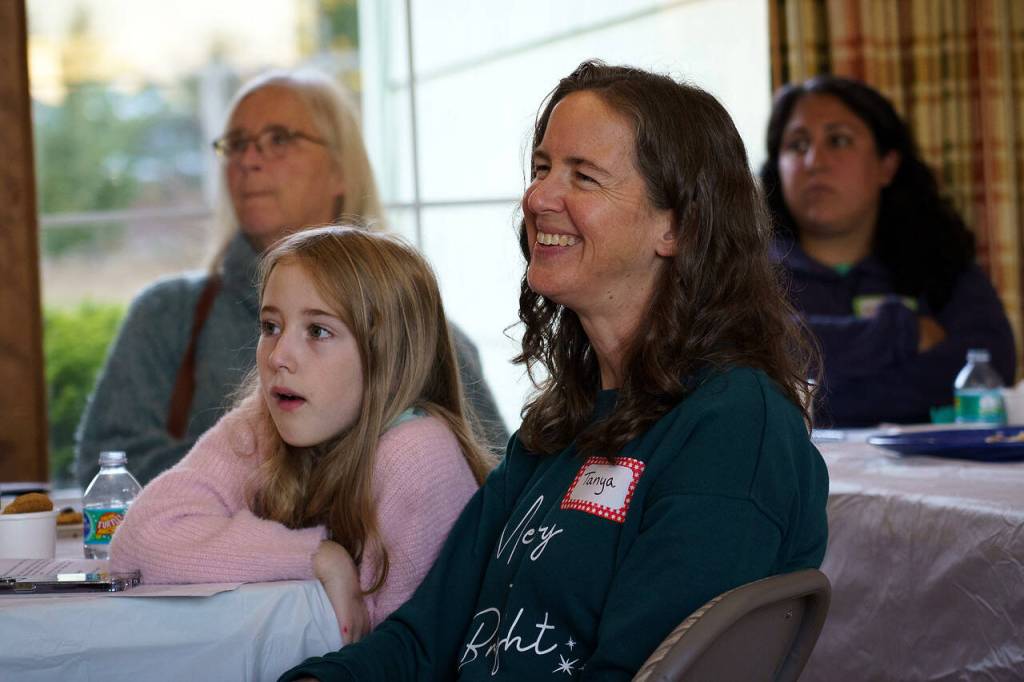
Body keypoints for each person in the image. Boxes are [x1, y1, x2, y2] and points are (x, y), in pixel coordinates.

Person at [279, 60, 829, 682]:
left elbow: (639, 673)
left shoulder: (734, 428)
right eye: (541, 168)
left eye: (583, 176)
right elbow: (420, 642)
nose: (537, 198)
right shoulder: (559, 426)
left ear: (675, 225)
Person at [75, 69, 507, 488]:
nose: (248, 160)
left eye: (278, 139)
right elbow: (108, 472)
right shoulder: (167, 314)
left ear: (341, 169)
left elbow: (490, 480)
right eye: (237, 144)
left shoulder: (422, 332)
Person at [111, 226, 494, 641]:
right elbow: (140, 542)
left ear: (388, 355)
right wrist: (316, 556)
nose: (278, 357)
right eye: (271, 326)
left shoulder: (417, 455)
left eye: (318, 331)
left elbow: (406, 657)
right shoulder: (268, 419)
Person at [760, 75, 1016, 427]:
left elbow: (988, 371)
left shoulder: (942, 263)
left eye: (837, 140)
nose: (814, 161)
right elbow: (746, 371)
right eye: (797, 145)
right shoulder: (742, 273)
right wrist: (904, 332)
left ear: (886, 165)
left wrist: (816, 389)